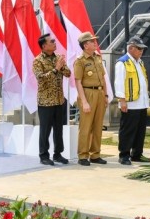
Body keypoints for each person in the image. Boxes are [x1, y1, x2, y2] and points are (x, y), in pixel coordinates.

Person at [33, 34, 71, 166]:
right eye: (52, 42)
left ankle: (58, 154)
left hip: (59, 100)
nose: (55, 43)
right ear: (44, 46)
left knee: (58, 129)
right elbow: (41, 79)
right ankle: (44, 155)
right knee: (45, 130)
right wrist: (56, 69)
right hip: (46, 101)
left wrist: (62, 65)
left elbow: (68, 73)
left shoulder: (58, 58)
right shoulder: (38, 60)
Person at [73, 32, 109, 166]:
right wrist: (84, 101)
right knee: (86, 127)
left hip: (99, 93)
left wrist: (105, 95)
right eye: (92, 41)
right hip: (88, 93)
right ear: (85, 45)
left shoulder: (98, 58)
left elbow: (103, 79)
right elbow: (78, 82)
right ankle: (83, 155)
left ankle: (95, 154)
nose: (95, 43)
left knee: (98, 126)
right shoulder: (80, 61)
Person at [114, 36, 150, 165]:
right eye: (139, 49)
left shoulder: (140, 62)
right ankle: (124, 155)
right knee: (128, 130)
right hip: (130, 103)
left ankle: (137, 154)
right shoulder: (122, 62)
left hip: (142, 102)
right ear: (131, 48)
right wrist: (122, 100)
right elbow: (119, 83)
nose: (141, 51)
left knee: (140, 130)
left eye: (142, 49)